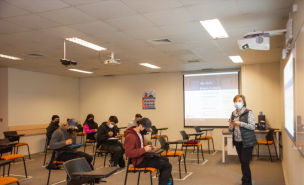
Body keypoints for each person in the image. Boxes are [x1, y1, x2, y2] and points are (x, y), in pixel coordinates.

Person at [124, 118, 172, 185]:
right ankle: (164, 183)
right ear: (140, 126)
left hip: (143, 157)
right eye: (145, 129)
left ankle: (166, 182)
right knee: (167, 165)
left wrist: (151, 148)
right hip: (138, 161)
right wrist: (145, 149)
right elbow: (128, 153)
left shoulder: (140, 134)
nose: (146, 132)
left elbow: (143, 147)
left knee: (165, 159)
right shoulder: (130, 136)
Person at [228, 95, 258, 185]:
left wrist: (241, 123)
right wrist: (230, 127)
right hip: (237, 141)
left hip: (247, 141)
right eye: (236, 101)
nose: (237, 102)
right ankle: (248, 181)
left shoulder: (249, 113)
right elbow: (231, 130)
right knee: (243, 163)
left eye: (239, 101)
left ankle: (245, 182)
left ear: (243, 103)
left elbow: (252, 126)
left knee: (244, 162)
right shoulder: (233, 114)